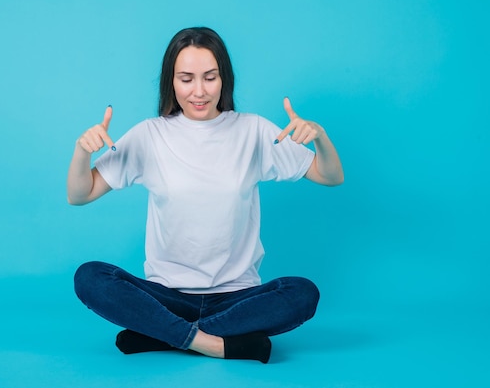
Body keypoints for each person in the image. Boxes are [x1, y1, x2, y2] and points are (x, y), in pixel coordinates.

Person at [67, 27, 343, 364]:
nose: (199, 91)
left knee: (301, 293)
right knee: (90, 277)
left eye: (209, 78)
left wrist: (321, 137)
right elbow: (80, 194)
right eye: (186, 79)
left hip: (238, 298)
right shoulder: (150, 135)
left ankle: (163, 334)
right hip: (166, 295)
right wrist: (82, 152)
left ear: (224, 79)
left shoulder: (253, 130)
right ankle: (215, 343)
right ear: (171, 81)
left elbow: (331, 176)